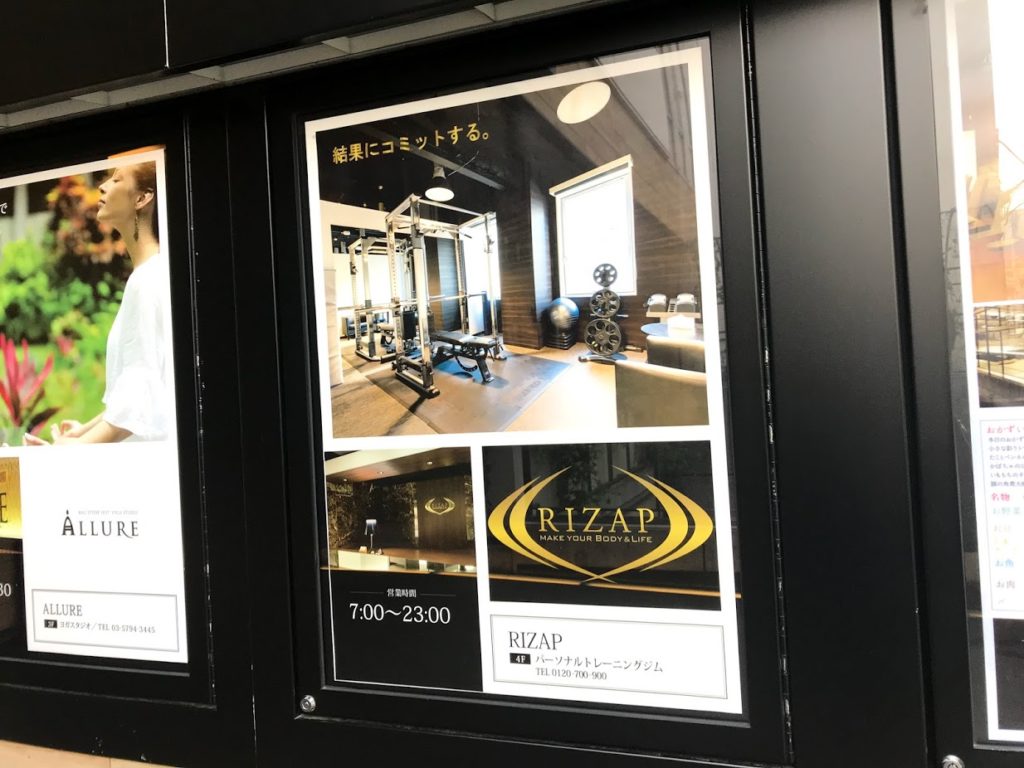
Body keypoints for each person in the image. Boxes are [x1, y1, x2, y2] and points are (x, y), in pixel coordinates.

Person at [25, 162, 170, 445]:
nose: (102, 186)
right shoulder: (149, 274)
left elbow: (142, 391)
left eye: (117, 179)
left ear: (142, 198)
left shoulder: (149, 279)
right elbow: (138, 393)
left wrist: (76, 448)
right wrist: (83, 432)